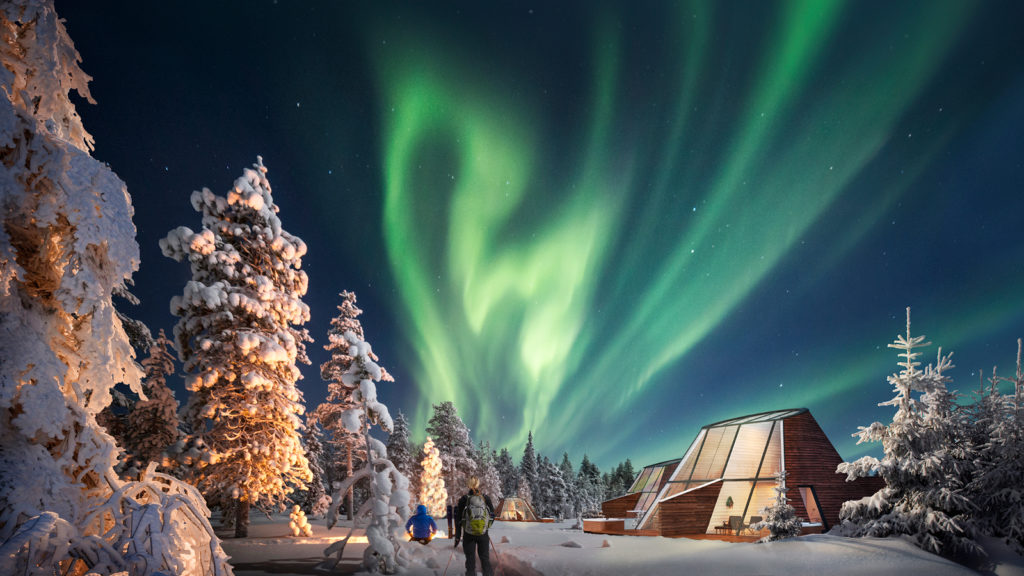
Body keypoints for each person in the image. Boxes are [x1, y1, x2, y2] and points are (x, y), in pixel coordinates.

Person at [453, 477, 495, 576]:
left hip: (468, 534)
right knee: (485, 558)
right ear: (478, 484)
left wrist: (458, 536)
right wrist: (487, 526)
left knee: (470, 559)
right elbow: (493, 514)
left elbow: (458, 518)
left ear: (468, 485)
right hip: (483, 534)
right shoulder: (485, 498)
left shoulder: (464, 499)